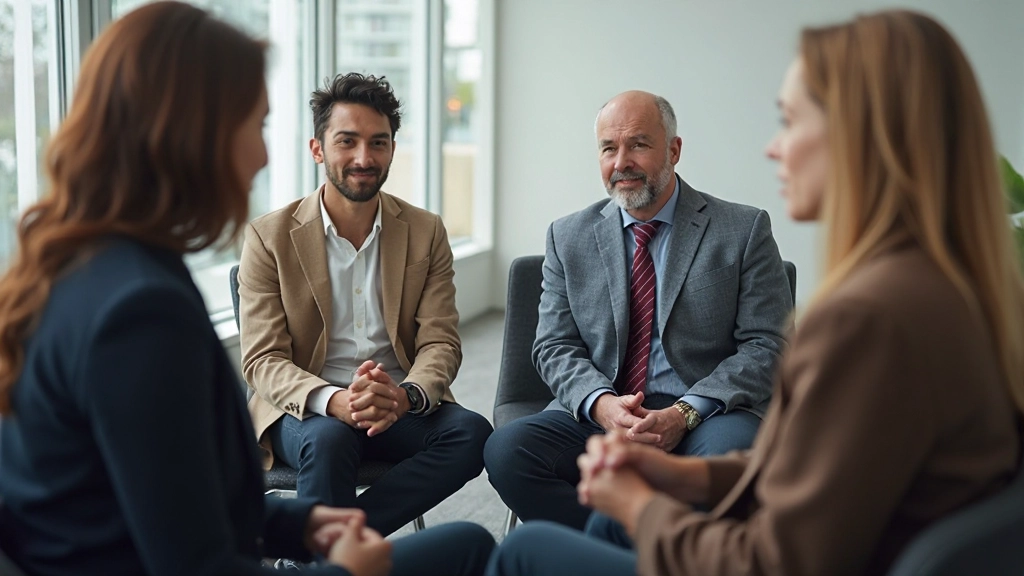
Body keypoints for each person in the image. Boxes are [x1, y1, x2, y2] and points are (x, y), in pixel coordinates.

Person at [486, 9, 1024, 576]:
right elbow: (827, 474)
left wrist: (644, 506)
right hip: (626, 423)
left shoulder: (864, 317)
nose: (772, 148)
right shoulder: (956, 291)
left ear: (864, 135)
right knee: (571, 506)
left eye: (789, 120)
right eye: (607, 148)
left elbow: (779, 554)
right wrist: (683, 476)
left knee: (525, 551)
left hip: (718, 442)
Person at [0, 3, 494, 575]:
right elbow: (193, 559)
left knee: (464, 510)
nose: (262, 156)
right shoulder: (141, 313)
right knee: (469, 548)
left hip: (383, 419)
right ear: (188, 134)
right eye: (255, 124)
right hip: (301, 427)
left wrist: (300, 524)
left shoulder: (85, 266)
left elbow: (171, 506)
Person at [483, 89, 793, 530]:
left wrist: (685, 412)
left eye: (639, 145)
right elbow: (553, 345)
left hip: (706, 413)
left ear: (674, 150)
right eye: (609, 148)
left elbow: (769, 344)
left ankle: (608, 548)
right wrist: (603, 405)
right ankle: (626, 548)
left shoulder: (742, 230)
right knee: (507, 451)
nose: (621, 161)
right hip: (606, 408)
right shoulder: (567, 236)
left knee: (735, 468)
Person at [238, 72, 493, 537]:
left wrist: (406, 396)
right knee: (331, 440)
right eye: (347, 141)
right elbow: (262, 359)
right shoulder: (268, 237)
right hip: (309, 409)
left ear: (393, 149)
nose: (364, 158)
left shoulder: (425, 230)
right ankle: (339, 556)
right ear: (318, 149)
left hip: (396, 403)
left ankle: (331, 554)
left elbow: (440, 341)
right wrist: (332, 399)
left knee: (472, 435)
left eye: (379, 142)